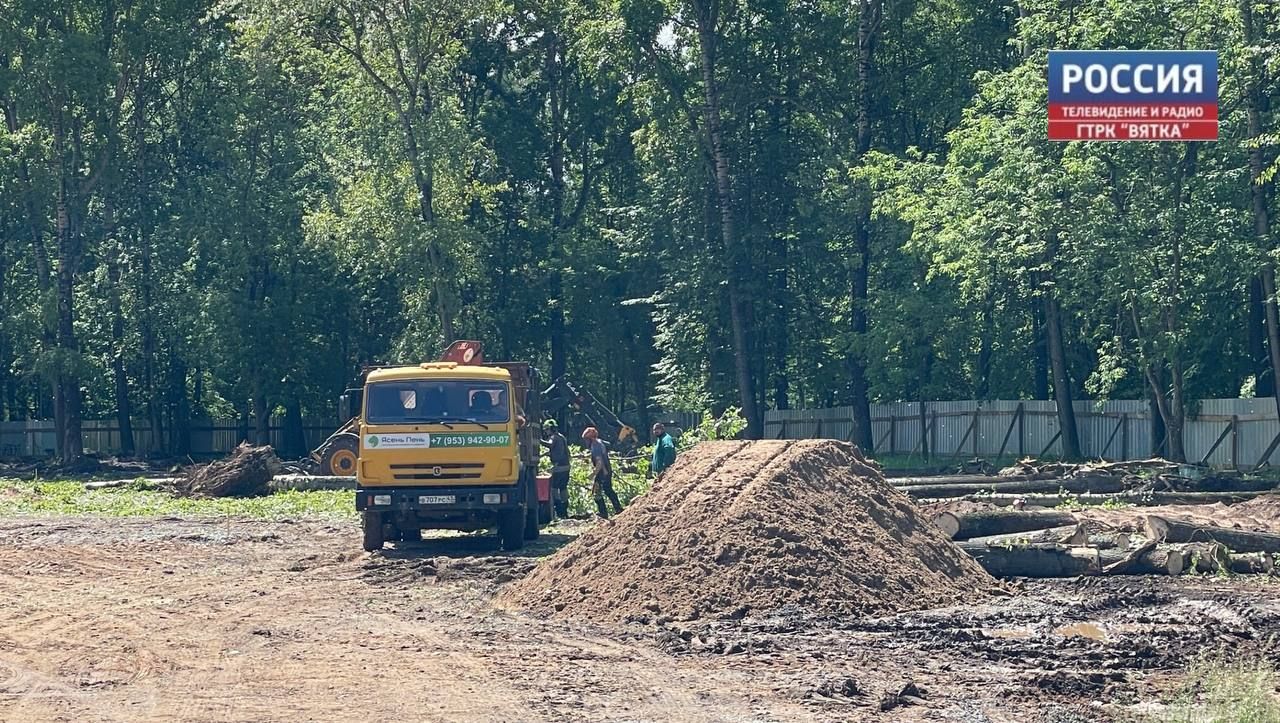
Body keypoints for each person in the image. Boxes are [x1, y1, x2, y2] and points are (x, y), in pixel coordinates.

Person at [582, 427, 622, 518]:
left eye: (586, 439)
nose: (585, 442)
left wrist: (593, 474)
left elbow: (599, 462)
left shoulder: (595, 445)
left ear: (590, 439)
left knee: (597, 492)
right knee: (608, 490)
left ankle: (604, 513)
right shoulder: (599, 442)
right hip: (607, 470)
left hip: (602, 473)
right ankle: (618, 508)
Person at [542, 419, 571, 518]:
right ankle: (565, 511)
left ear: (550, 429)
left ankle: (560, 512)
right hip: (566, 467)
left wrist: (540, 441)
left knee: (554, 489)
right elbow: (561, 451)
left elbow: (550, 444)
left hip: (559, 468)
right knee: (563, 488)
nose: (546, 432)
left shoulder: (554, 437)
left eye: (546, 430)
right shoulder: (562, 437)